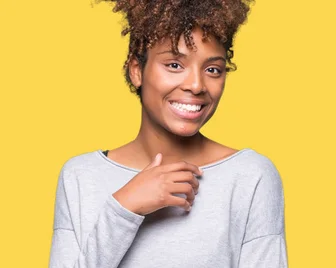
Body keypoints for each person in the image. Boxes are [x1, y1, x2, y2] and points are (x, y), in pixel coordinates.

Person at [48, 0, 288, 267]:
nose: (196, 85)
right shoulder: (80, 176)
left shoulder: (251, 176)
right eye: (174, 65)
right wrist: (125, 207)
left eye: (212, 70)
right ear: (137, 70)